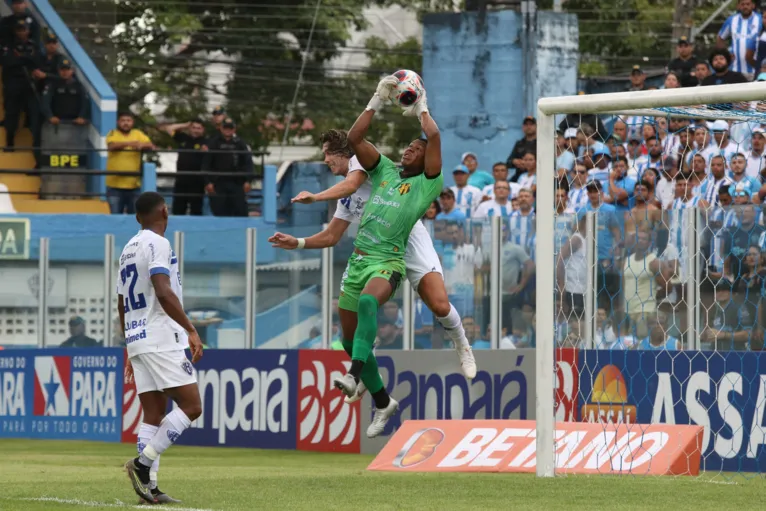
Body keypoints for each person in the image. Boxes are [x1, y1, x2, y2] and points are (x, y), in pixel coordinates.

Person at [272, 76, 447, 438]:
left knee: (370, 304)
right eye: (406, 150)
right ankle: (383, 402)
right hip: (359, 260)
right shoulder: (382, 170)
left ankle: (353, 376)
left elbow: (433, 138)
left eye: (414, 150)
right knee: (350, 340)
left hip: (391, 257)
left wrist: (421, 107)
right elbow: (353, 143)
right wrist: (377, 98)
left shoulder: (426, 183)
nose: (406, 152)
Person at [279, 127, 477, 377]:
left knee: (438, 305)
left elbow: (351, 185)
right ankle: (366, 372)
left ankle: (462, 345)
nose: (325, 160)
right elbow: (331, 236)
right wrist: (297, 242)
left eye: (328, 154)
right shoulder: (346, 200)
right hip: (375, 252)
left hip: (407, 237)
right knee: (353, 325)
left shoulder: (359, 164)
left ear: (344, 153)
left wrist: (316, 197)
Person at [119, 191, 203, 505]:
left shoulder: (128, 248)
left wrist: (129, 344)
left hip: (138, 336)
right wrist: (191, 328)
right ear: (164, 211)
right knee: (192, 406)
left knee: (152, 415)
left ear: (137, 217)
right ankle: (142, 465)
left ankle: (149, 490)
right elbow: (163, 290)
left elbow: (121, 302)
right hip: (160, 335)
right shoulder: (159, 242)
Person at [1, 18, 44, 153]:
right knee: (12, 114)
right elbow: (8, 62)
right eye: (19, 30)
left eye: (24, 29)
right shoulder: (9, 46)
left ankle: (36, 149)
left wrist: (21, 59)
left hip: (30, 84)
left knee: (34, 114)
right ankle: (10, 143)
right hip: (14, 84)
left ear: (28, 31)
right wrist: (26, 59)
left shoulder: (34, 46)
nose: (22, 33)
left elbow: (37, 61)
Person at [202, 117, 253, 217]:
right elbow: (206, 164)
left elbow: (248, 163)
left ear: (234, 129)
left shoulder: (240, 143)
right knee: (219, 211)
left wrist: (248, 181)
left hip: (237, 183)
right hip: (218, 183)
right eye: (226, 128)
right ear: (221, 128)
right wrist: (207, 182)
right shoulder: (213, 143)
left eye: (230, 128)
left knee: (240, 210)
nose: (228, 130)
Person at [106, 112, 154, 214]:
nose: (126, 123)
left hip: (133, 185)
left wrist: (142, 145)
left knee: (134, 218)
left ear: (132, 122)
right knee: (115, 217)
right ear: (118, 122)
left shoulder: (137, 133)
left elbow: (150, 145)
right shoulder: (113, 133)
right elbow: (111, 146)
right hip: (115, 185)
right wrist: (130, 143)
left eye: (128, 121)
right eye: (123, 121)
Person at [159, 119, 207, 215]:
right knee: (178, 208)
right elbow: (169, 128)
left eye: (199, 128)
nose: (196, 130)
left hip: (197, 180)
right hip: (181, 178)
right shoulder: (183, 138)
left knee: (196, 208)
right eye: (193, 128)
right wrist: (185, 124)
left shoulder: (206, 141)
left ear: (203, 130)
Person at [717, 0, 761, 79]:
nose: (745, 7)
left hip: (755, 70)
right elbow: (720, 37)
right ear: (738, 6)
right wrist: (725, 54)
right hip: (734, 69)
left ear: (753, 5)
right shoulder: (731, 20)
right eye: (742, 4)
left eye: (748, 4)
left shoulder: (760, 19)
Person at [42, 59, 88, 126]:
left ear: (72, 70)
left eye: (67, 69)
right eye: (62, 69)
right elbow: (45, 101)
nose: (65, 72)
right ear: (58, 70)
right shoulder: (52, 85)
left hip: (75, 123)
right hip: (56, 123)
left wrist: (82, 117)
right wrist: (50, 116)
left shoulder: (79, 85)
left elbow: (85, 103)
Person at [507, 116, 537, 181]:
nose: (528, 127)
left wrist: (529, 163)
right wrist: (515, 161)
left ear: (536, 127)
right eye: (526, 124)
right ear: (523, 127)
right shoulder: (519, 143)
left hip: (536, 176)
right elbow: (508, 162)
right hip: (520, 175)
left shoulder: (541, 143)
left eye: (531, 124)